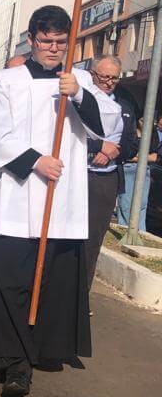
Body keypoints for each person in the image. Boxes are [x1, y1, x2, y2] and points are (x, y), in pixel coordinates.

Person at [0, 6, 122, 397]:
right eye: (46, 40)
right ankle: (14, 364)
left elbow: (107, 129)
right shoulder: (7, 80)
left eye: (61, 42)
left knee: (48, 283)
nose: (53, 48)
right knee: (10, 283)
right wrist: (35, 161)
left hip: (58, 206)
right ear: (32, 38)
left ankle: (38, 349)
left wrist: (78, 97)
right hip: (14, 197)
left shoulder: (80, 85)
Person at [84, 55, 137, 288]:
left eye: (114, 78)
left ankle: (81, 296)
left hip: (105, 180)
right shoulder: (80, 98)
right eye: (103, 77)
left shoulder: (125, 106)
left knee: (92, 241)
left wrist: (112, 152)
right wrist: (97, 147)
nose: (108, 82)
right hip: (77, 174)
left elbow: (131, 144)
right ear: (93, 74)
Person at [116, 116, 158, 233]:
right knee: (125, 202)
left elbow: (154, 157)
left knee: (142, 203)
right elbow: (124, 153)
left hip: (145, 170)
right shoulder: (130, 132)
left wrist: (136, 156)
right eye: (142, 119)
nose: (145, 121)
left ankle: (140, 232)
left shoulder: (152, 135)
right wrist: (142, 156)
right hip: (128, 169)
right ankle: (124, 230)